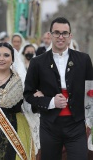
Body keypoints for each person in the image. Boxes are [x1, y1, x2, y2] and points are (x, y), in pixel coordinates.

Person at [24, 17, 93, 160]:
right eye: (56, 32)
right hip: (49, 125)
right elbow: (28, 94)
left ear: (70, 36)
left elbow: (90, 90)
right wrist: (51, 102)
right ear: (50, 35)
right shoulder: (37, 62)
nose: (61, 37)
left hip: (76, 125)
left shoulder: (84, 59)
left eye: (64, 33)